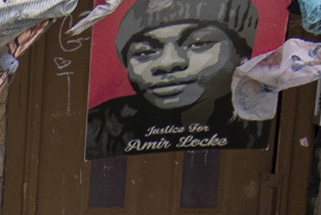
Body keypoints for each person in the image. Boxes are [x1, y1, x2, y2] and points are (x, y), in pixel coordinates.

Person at [90, 0, 255, 151]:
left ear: (241, 53)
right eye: (145, 51)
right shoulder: (99, 127)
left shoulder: (258, 122)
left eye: (198, 43)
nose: (168, 63)